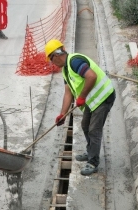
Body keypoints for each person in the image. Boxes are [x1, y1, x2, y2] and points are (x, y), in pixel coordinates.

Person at [45, 39, 115, 176]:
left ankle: (93, 162)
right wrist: (63, 114)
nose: (53, 63)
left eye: (51, 59)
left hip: (104, 97)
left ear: (57, 55)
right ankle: (91, 152)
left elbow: (91, 76)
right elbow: (68, 93)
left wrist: (82, 96)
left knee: (94, 129)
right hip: (93, 100)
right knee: (85, 125)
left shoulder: (74, 62)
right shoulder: (66, 70)